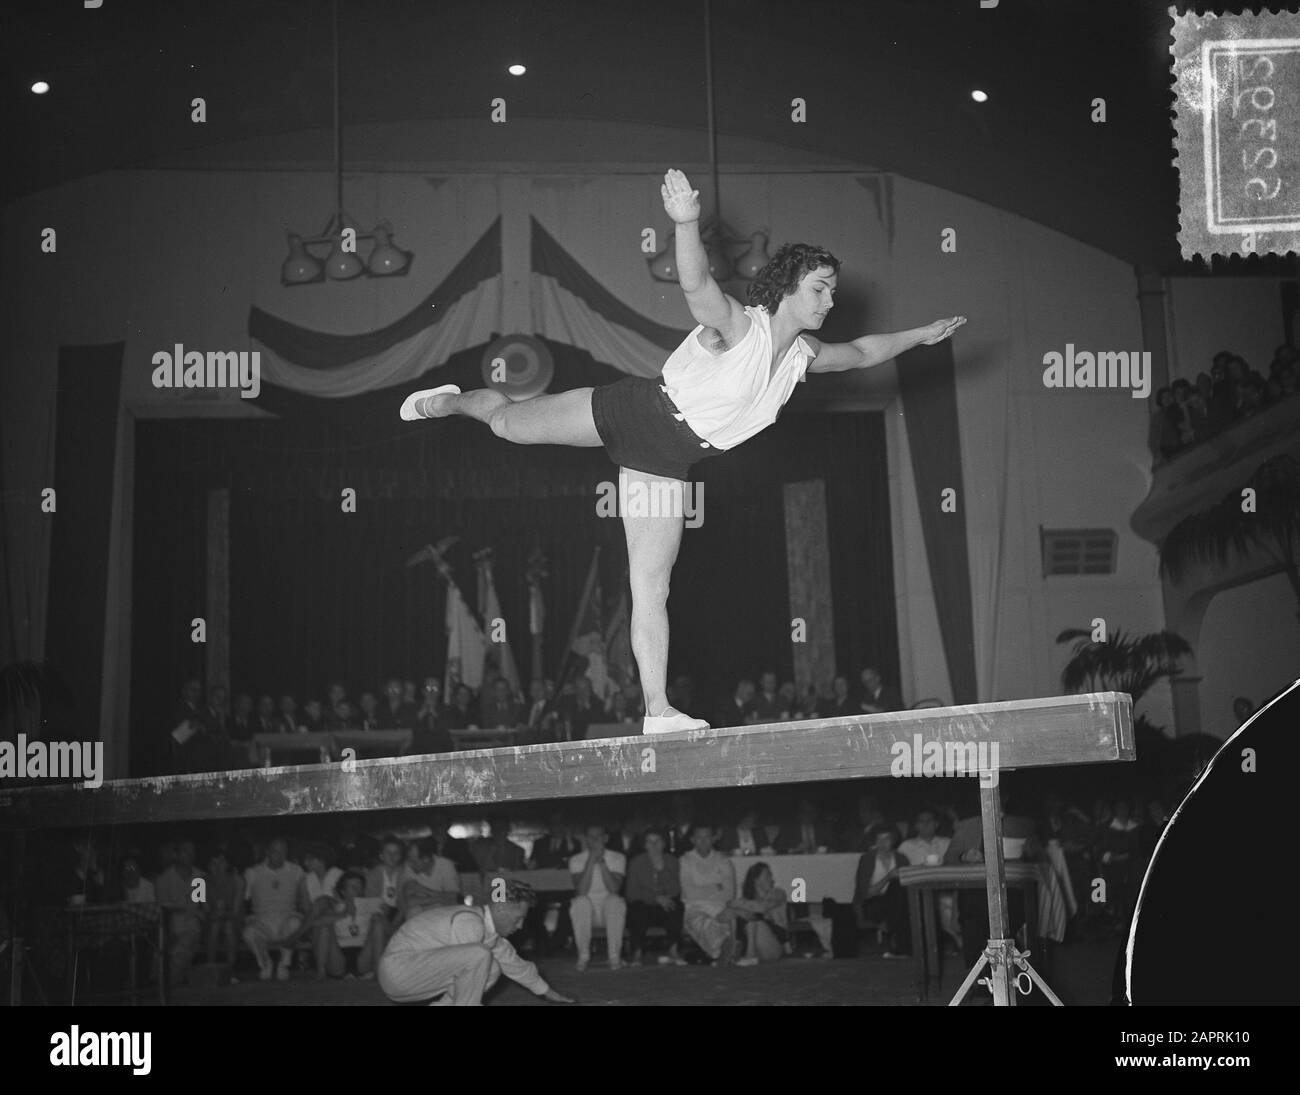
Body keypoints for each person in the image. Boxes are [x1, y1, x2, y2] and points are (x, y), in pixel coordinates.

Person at [400, 168, 964, 736]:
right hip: (635, 412)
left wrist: (921, 334)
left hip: (670, 462)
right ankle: (449, 403)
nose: (829, 300)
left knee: (652, 583)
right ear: (789, 285)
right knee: (505, 425)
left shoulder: (801, 358)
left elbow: (864, 351)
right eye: (820, 288)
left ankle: (656, 710)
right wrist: (687, 223)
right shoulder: (740, 330)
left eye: (833, 292)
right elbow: (697, 287)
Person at [377, 881, 575, 1006]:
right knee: (480, 956)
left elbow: (517, 966)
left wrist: (549, 994)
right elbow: (467, 969)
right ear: (501, 909)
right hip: (399, 971)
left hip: (407, 973)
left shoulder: (487, 931)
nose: (521, 925)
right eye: (518, 918)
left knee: (492, 966)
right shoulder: (469, 921)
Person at [242, 836, 305, 982]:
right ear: (267, 852)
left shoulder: (296, 871)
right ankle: (265, 963)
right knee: (248, 932)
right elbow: (245, 899)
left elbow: (303, 898)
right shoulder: (253, 872)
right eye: (276, 851)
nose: (280, 855)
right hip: (262, 921)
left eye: (284, 851)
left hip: (287, 919)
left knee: (295, 923)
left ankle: (284, 964)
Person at [568, 824, 628, 971]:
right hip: (586, 911)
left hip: (610, 911)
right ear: (586, 839)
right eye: (591, 837)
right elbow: (581, 891)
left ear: (606, 838)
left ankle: (614, 957)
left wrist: (601, 861)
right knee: (580, 902)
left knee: (615, 900)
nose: (595, 840)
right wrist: (590, 860)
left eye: (599, 836)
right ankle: (583, 957)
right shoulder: (575, 860)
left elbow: (614, 889)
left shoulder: (618, 857)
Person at [679, 823, 737, 965]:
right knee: (704, 923)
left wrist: (702, 888)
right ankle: (723, 950)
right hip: (694, 907)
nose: (703, 841)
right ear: (692, 840)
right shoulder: (684, 861)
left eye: (707, 837)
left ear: (713, 839)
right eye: (699, 837)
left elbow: (729, 892)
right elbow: (689, 892)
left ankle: (723, 952)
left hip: (719, 907)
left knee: (728, 917)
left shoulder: (723, 861)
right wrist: (716, 886)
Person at [625, 829, 685, 966]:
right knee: (636, 909)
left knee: (676, 906)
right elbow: (631, 893)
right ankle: (637, 954)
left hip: (666, 904)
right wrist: (655, 898)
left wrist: (661, 870)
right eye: (649, 842)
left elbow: (675, 889)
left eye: (657, 841)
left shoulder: (672, 861)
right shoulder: (636, 862)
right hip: (645, 904)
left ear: (663, 843)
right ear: (644, 845)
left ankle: (674, 951)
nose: (653, 845)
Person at [854, 824, 911, 958]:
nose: (882, 843)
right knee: (895, 888)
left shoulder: (901, 858)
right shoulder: (867, 858)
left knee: (898, 889)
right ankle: (898, 945)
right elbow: (865, 893)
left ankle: (894, 943)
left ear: (894, 840)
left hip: (896, 902)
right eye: (879, 839)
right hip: (872, 902)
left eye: (886, 839)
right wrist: (887, 877)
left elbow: (908, 885)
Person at [325, 870, 386, 980]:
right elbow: (314, 924)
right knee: (325, 924)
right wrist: (343, 914)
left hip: (363, 953)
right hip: (339, 954)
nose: (357, 891)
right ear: (343, 891)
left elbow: (389, 931)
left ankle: (378, 972)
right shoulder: (334, 907)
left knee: (378, 923)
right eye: (353, 887)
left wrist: (381, 916)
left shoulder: (371, 905)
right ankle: (322, 971)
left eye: (360, 887)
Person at [729, 862, 788, 965]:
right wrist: (736, 910)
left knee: (753, 920)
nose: (771, 878)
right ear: (756, 880)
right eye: (768, 875)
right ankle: (736, 951)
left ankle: (749, 955)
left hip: (774, 945)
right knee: (738, 915)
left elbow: (762, 907)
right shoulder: (744, 901)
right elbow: (723, 914)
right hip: (750, 945)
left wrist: (737, 906)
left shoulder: (778, 893)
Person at [399, 837, 462, 921]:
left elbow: (454, 898)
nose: (409, 864)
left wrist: (421, 891)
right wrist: (441, 897)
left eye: (413, 861)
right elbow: (410, 901)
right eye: (409, 860)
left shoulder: (446, 865)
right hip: (420, 912)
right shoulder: (409, 866)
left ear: (426, 859)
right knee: (413, 911)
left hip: (442, 912)